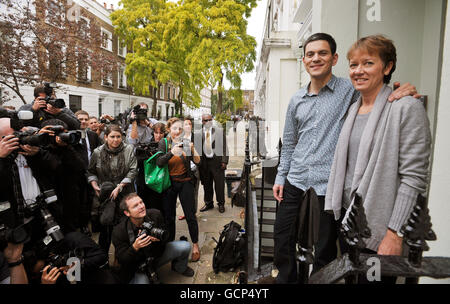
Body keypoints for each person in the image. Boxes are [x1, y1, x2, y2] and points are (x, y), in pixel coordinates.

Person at [272, 32, 419, 284]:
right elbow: (289, 143)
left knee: (324, 251)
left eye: (322, 53)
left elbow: (375, 89)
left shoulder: (349, 90)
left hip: (328, 188)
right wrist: (281, 175)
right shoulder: (296, 99)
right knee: (282, 242)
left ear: (334, 58)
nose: (315, 58)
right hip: (295, 181)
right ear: (304, 60)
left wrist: (401, 88)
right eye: (310, 54)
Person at [325, 35, 431, 283]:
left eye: (368, 63)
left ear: (388, 67)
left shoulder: (405, 108)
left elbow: (414, 179)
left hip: (379, 230)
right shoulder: (353, 108)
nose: (358, 71)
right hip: (349, 222)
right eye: (353, 64)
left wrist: (395, 234)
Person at [112, 193, 194, 284]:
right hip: (138, 266)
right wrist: (135, 247)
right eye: (135, 206)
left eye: (141, 202)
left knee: (185, 246)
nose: (141, 206)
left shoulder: (155, 214)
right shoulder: (119, 231)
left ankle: (178, 267)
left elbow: (167, 236)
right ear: (127, 213)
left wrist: (159, 240)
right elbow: (122, 259)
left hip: (156, 256)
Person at [155, 117, 201, 262]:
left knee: (190, 215)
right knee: (169, 217)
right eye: (175, 128)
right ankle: (171, 246)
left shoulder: (186, 142)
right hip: (169, 184)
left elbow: (198, 161)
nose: (178, 131)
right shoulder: (165, 143)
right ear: (169, 129)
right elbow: (159, 163)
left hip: (186, 182)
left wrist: (192, 149)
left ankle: (195, 245)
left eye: (180, 128)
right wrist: (171, 152)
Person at [87, 124, 137, 254]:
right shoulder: (97, 152)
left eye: (118, 136)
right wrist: (94, 184)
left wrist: (120, 186)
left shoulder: (129, 149)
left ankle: (121, 256)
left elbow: (133, 170)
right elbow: (90, 171)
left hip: (125, 192)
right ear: (105, 137)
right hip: (106, 195)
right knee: (106, 226)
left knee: (124, 225)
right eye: (112, 137)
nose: (116, 140)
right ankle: (103, 259)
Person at [74, 110, 102, 236]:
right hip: (77, 174)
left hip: (92, 173)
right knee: (81, 200)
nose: (84, 121)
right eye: (80, 119)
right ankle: (83, 225)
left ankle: (93, 222)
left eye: (86, 119)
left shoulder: (92, 135)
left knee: (93, 199)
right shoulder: (71, 136)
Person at [198, 114, 229, 213]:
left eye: (210, 120)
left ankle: (221, 204)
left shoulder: (219, 131)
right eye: (205, 120)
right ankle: (208, 203)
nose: (208, 122)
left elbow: (225, 147)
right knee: (207, 185)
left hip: (217, 163)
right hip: (204, 163)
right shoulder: (198, 133)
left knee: (219, 185)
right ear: (202, 121)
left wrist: (224, 161)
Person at [135, 122, 166, 211]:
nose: (158, 136)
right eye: (156, 133)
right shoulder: (146, 146)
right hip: (145, 182)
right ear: (153, 133)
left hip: (160, 182)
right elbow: (137, 164)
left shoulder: (167, 145)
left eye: (161, 133)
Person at [178, 116, 199, 221]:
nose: (188, 126)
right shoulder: (178, 138)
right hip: (182, 170)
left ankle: (193, 213)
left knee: (194, 193)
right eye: (186, 124)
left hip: (194, 170)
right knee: (184, 195)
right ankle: (186, 212)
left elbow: (200, 156)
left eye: (190, 124)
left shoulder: (196, 138)